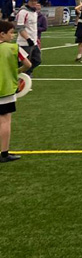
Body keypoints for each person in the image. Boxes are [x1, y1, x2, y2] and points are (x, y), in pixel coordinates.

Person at [0, 19, 31, 163]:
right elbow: (28, 64)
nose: (12, 36)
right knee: (5, 121)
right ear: (2, 34)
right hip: (6, 89)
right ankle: (4, 153)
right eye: (11, 33)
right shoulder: (14, 48)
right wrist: (17, 72)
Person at [15, 0, 42, 75]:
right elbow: (20, 27)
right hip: (24, 43)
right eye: (32, 0)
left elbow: (33, 28)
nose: (34, 2)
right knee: (24, 62)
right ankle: (21, 76)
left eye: (35, 0)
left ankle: (26, 74)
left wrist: (35, 38)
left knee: (37, 60)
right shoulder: (23, 12)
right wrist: (28, 39)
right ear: (27, 1)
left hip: (33, 42)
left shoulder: (34, 12)